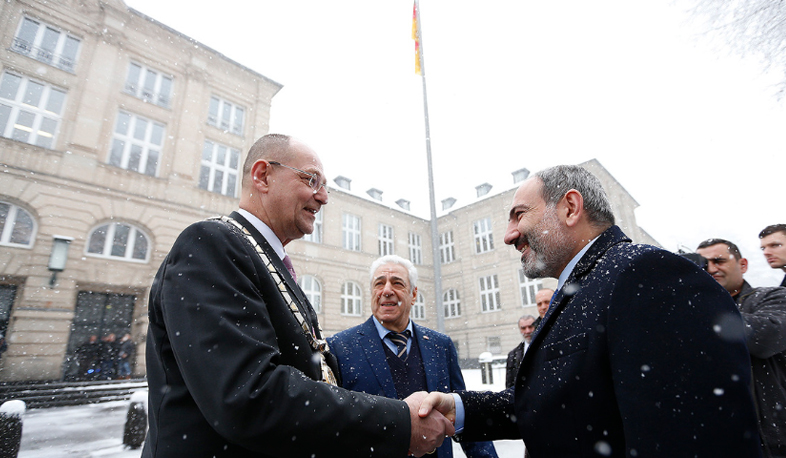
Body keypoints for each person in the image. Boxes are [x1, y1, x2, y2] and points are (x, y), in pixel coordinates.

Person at [418, 165, 762, 457]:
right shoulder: (586, 285)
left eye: (519, 215)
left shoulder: (647, 275)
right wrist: (460, 408)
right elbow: (558, 403)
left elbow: (694, 438)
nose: (509, 236)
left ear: (570, 207)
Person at [142, 134, 452, 458]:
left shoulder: (263, 260)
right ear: (263, 176)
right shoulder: (212, 244)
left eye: (325, 185)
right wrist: (398, 423)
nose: (323, 197)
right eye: (311, 179)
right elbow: (251, 397)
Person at [328, 255, 498, 458]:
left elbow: (461, 413)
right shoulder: (340, 347)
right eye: (379, 283)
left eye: (397, 283)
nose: (387, 291)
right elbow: (335, 422)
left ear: (414, 294)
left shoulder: (440, 345)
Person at [696, 238, 786, 457]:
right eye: (702, 263)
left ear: (743, 264)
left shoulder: (772, 296)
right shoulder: (687, 311)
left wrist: (703, 308)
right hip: (715, 439)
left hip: (771, 439)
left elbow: (766, 338)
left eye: (719, 261)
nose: (711, 268)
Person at [504, 315, 535, 389]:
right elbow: (510, 384)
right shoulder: (512, 355)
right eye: (523, 328)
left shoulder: (546, 347)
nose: (527, 331)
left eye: (530, 327)